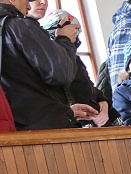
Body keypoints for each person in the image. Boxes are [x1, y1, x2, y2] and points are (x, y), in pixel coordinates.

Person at [0, 0, 83, 130]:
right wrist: (65, 40)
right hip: (46, 127)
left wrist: (67, 111)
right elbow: (62, 73)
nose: (28, 6)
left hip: (15, 127)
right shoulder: (21, 26)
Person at [41, 10, 119, 127]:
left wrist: (103, 102)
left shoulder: (75, 59)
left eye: (77, 31)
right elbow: (66, 95)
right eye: (73, 31)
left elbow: (87, 87)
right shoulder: (52, 64)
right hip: (80, 122)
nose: (76, 35)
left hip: (97, 117)